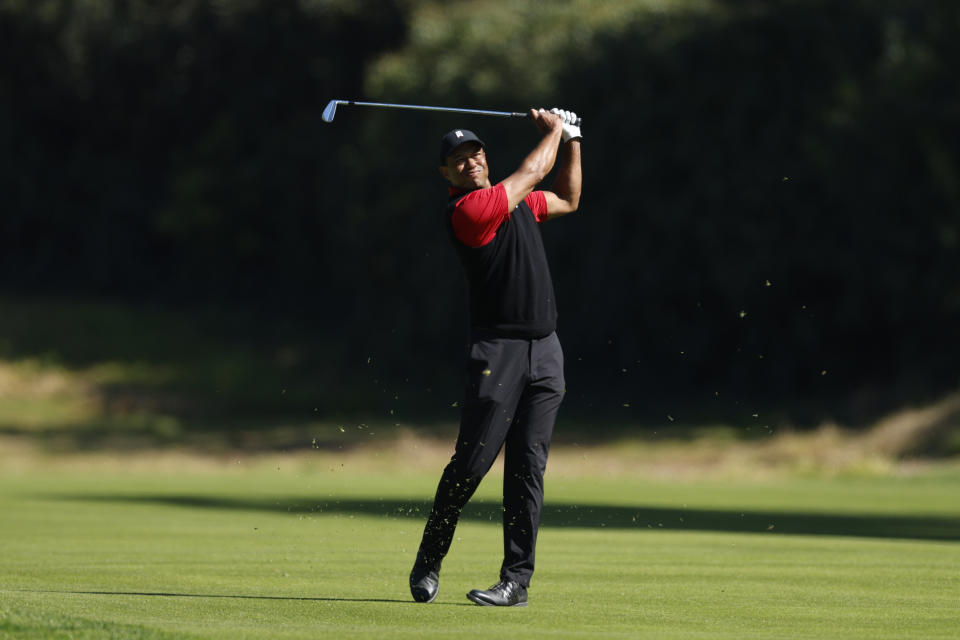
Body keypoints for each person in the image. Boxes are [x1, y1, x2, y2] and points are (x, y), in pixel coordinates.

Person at [409, 108, 582, 607]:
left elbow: (569, 199)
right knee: (472, 464)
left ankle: (516, 583)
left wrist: (574, 140)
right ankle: (430, 557)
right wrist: (554, 131)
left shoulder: (520, 205)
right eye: (457, 161)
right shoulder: (468, 211)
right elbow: (532, 173)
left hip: (546, 352)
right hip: (498, 353)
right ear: (445, 174)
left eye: (475, 153)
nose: (469, 163)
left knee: (528, 468)